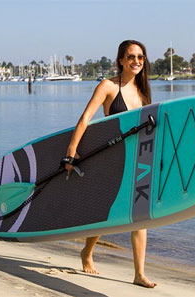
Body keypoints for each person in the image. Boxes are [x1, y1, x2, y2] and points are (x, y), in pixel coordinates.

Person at [63, 40, 157, 288]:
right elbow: (85, 118)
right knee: (104, 213)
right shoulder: (108, 86)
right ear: (121, 61)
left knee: (141, 216)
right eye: (131, 57)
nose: (136, 61)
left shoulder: (143, 92)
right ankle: (87, 251)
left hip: (139, 158)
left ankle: (139, 273)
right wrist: (72, 152)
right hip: (112, 157)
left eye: (140, 57)